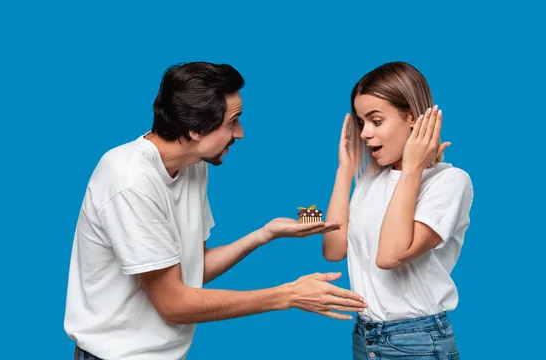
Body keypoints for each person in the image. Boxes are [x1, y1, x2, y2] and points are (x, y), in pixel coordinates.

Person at [64, 61, 368, 360]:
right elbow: (175, 304)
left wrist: (265, 234)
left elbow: (194, 269)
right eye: (232, 122)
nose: (240, 133)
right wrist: (288, 295)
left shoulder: (193, 165)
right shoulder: (129, 181)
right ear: (197, 129)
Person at [322, 61, 473, 359]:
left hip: (416, 340)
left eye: (376, 121)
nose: (365, 133)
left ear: (413, 118)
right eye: (361, 122)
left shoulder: (449, 182)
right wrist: (345, 169)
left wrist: (414, 166)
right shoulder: (371, 178)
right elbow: (334, 249)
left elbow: (390, 255)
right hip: (365, 335)